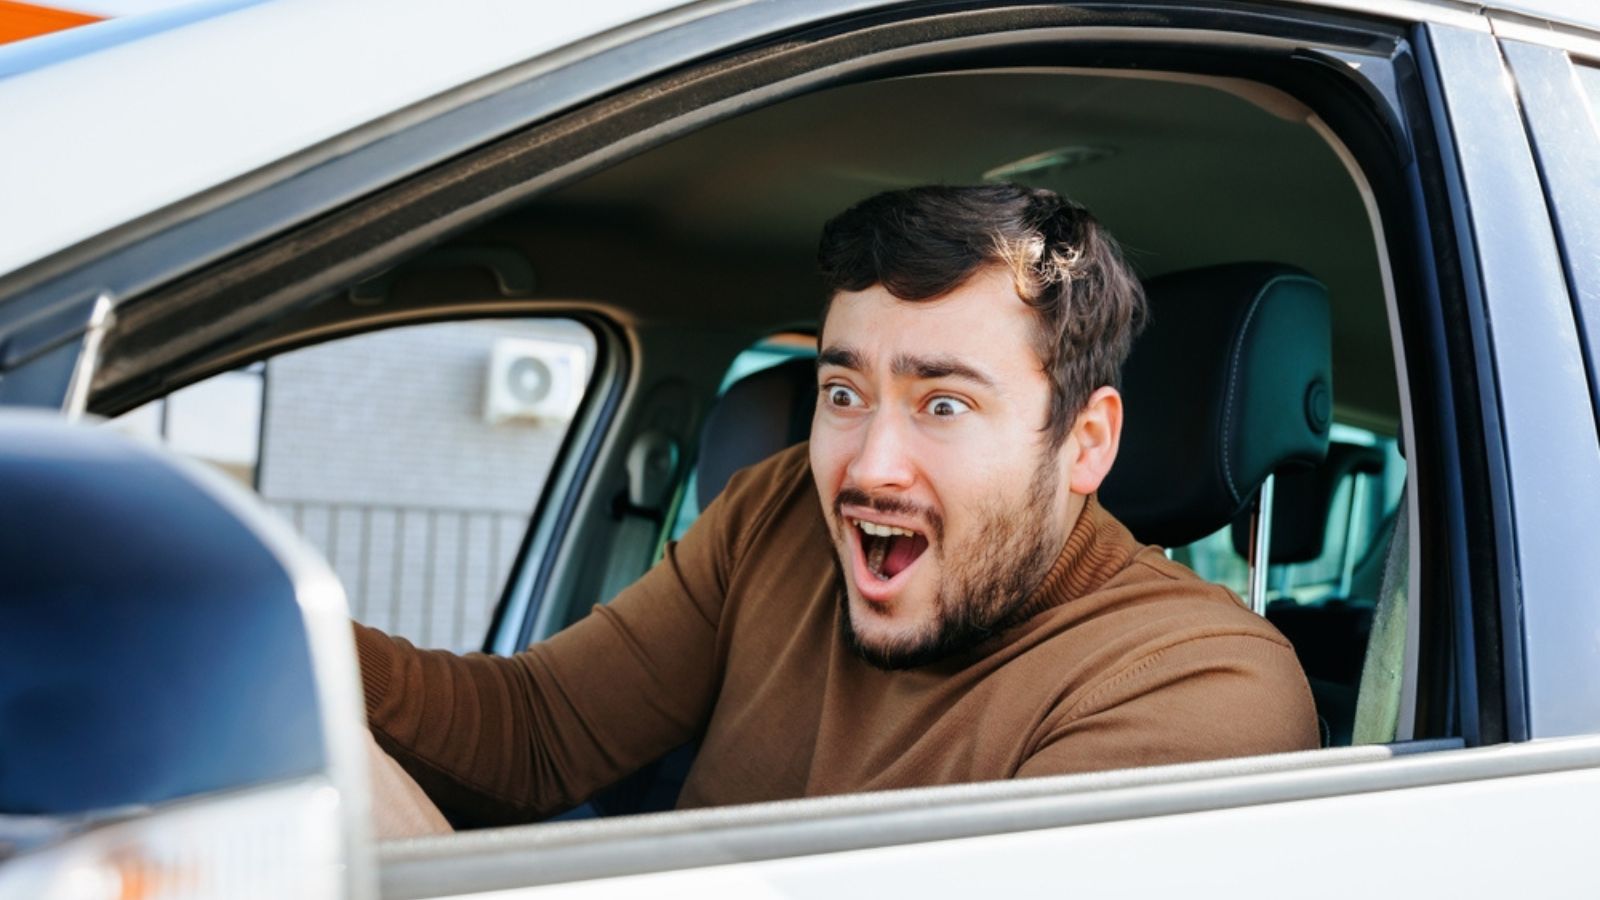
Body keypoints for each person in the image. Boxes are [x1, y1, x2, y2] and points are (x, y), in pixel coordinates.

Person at [355, 184, 1319, 831]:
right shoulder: (778, 514)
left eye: (944, 404)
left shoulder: (1201, 690)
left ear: (1085, 442)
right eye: (844, 394)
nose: (870, 467)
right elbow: (536, 730)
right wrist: (272, 647)